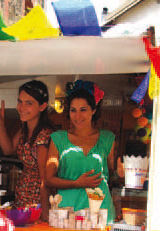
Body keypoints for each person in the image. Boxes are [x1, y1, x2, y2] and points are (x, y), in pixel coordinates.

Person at [45, 80, 116, 223]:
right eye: (73, 110)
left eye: (83, 109)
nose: (77, 116)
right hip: (67, 213)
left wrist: (121, 173)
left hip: (101, 213)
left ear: (93, 110)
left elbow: (111, 175)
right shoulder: (58, 139)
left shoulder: (107, 138)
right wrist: (77, 183)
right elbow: (49, 179)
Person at [0, 80, 55, 221]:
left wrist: (45, 214)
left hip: (37, 203)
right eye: (20, 101)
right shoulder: (24, 129)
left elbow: (45, 179)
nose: (21, 107)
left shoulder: (44, 135)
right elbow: (8, 149)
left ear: (42, 106)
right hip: (22, 200)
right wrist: (0, 126)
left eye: (29, 103)